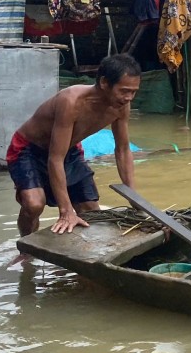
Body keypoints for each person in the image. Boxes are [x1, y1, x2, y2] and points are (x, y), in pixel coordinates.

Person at [8, 53, 142, 236]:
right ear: (104, 83)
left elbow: (123, 150)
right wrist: (66, 211)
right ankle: (25, 249)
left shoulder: (121, 107)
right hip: (29, 149)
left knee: (91, 211)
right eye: (124, 90)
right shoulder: (71, 101)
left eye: (133, 92)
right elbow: (55, 158)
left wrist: (133, 195)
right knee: (34, 204)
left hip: (69, 149)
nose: (129, 98)